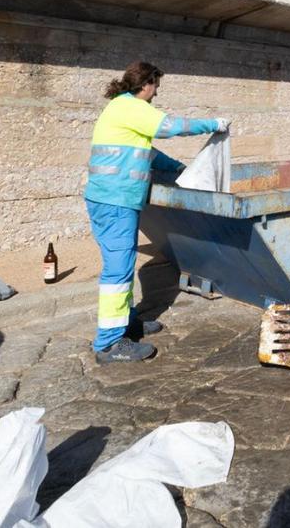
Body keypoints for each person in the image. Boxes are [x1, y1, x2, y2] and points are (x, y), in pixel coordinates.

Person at [84, 61, 230, 363]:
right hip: (116, 202)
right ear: (146, 84)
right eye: (155, 88)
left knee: (120, 266)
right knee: (118, 271)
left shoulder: (119, 109)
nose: (155, 95)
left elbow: (147, 151)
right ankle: (109, 344)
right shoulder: (132, 107)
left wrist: (176, 167)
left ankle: (127, 323)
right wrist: (214, 124)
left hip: (111, 199)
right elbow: (170, 127)